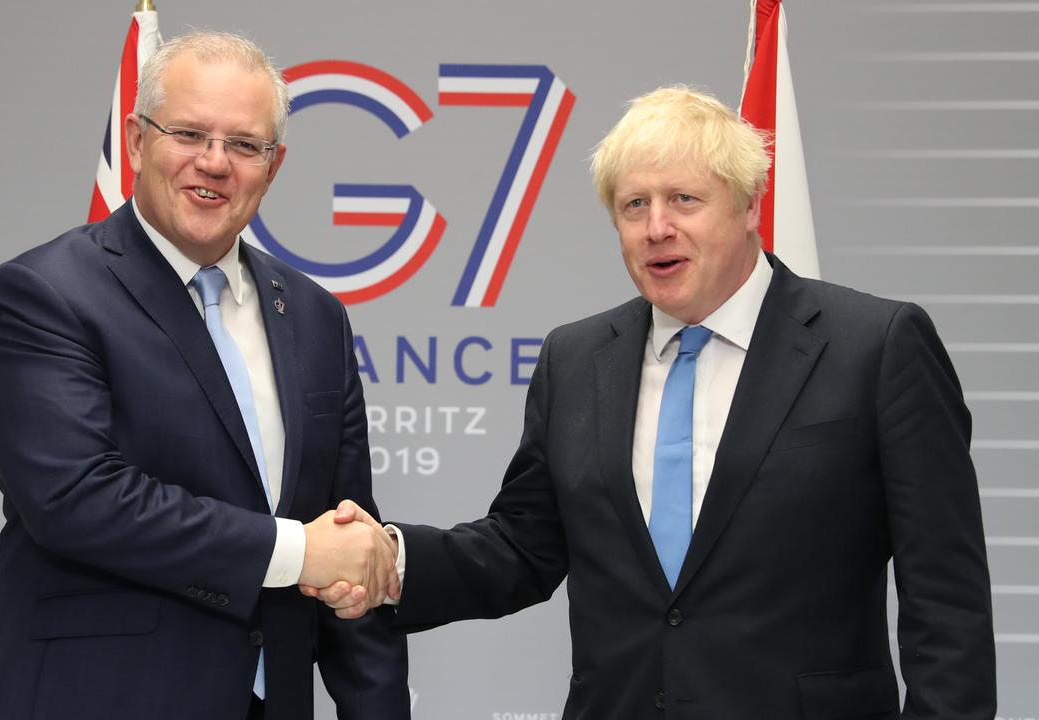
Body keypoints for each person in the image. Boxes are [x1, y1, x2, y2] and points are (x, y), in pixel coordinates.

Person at [311, 85, 996, 718]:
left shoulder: (873, 346)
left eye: (684, 200)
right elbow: (523, 547)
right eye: (634, 204)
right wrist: (390, 561)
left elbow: (947, 602)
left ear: (750, 204)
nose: (656, 227)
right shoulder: (576, 360)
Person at [0, 31, 405, 720]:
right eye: (190, 133)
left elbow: (348, 538)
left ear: (274, 164)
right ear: (138, 141)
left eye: (244, 144)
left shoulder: (316, 315)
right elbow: (77, 499)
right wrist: (297, 551)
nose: (215, 162)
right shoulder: (43, 293)